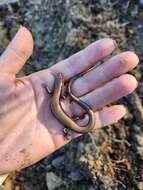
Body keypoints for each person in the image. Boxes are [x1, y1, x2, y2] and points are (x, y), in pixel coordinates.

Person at [0, 26, 139, 183]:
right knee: (72, 121)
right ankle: (67, 130)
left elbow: (50, 91)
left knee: (71, 122)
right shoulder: (57, 93)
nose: (60, 78)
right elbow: (54, 93)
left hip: (70, 124)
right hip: (69, 123)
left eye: (59, 78)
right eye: (60, 78)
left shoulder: (54, 92)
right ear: (60, 85)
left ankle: (67, 130)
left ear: (56, 86)